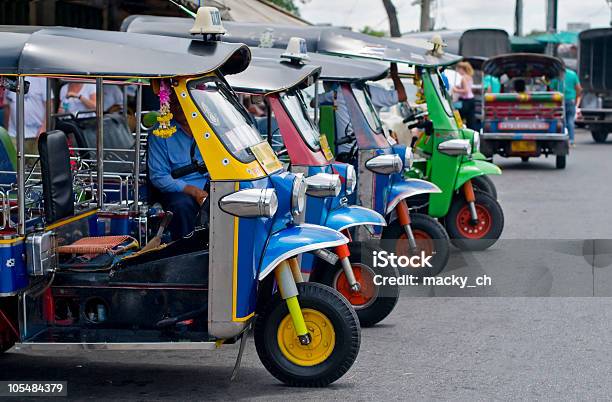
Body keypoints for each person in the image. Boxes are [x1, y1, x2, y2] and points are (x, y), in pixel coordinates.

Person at [148, 88, 208, 240]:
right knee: (181, 207)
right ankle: (185, 252)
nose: (178, 106)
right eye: (173, 102)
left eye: (182, 100)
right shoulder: (160, 133)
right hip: (181, 192)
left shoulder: (210, 127)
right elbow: (159, 176)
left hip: (212, 187)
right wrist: (193, 191)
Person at [317, 62, 407, 157]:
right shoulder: (370, 90)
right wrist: (394, 75)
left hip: (352, 151)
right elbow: (402, 96)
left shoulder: (335, 93)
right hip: (360, 149)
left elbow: (313, 102)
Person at [3, 76, 48, 157]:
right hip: (13, 134)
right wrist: (7, 130)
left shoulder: (42, 79)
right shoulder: (10, 79)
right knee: (14, 166)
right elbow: (7, 106)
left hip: (36, 134)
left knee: (37, 167)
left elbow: (49, 105)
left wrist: (44, 128)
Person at [551, 68, 582, 146]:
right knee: (570, 120)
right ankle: (571, 140)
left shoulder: (556, 76)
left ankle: (563, 139)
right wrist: (576, 97)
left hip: (560, 100)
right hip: (571, 99)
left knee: (562, 120)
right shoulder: (573, 74)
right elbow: (579, 88)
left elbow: (551, 89)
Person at [452, 61, 476, 130]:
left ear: (462, 69)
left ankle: (458, 130)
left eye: (459, 69)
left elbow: (466, 91)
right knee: (470, 119)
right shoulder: (469, 77)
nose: (458, 71)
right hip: (471, 100)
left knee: (458, 117)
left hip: (465, 101)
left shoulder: (463, 78)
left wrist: (456, 90)